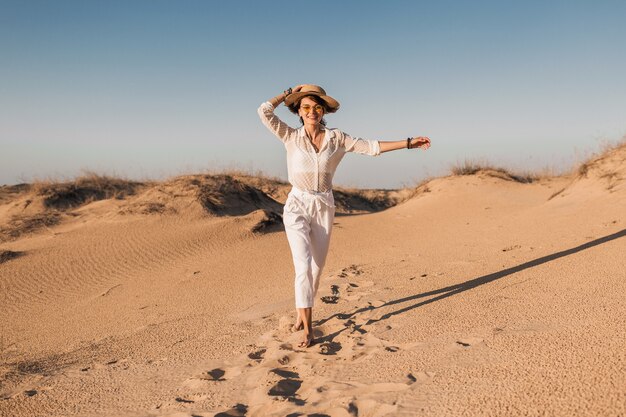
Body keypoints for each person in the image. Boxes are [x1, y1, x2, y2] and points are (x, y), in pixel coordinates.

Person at [258, 84, 431, 348]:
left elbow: (371, 147)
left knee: (316, 269)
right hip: (297, 204)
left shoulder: (336, 139)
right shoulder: (290, 136)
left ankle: (300, 311)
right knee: (302, 266)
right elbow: (264, 111)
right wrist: (287, 93)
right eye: (306, 107)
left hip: (324, 204)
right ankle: (307, 328)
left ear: (324, 110)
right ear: (299, 112)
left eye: (317, 107)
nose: (312, 111)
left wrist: (408, 143)